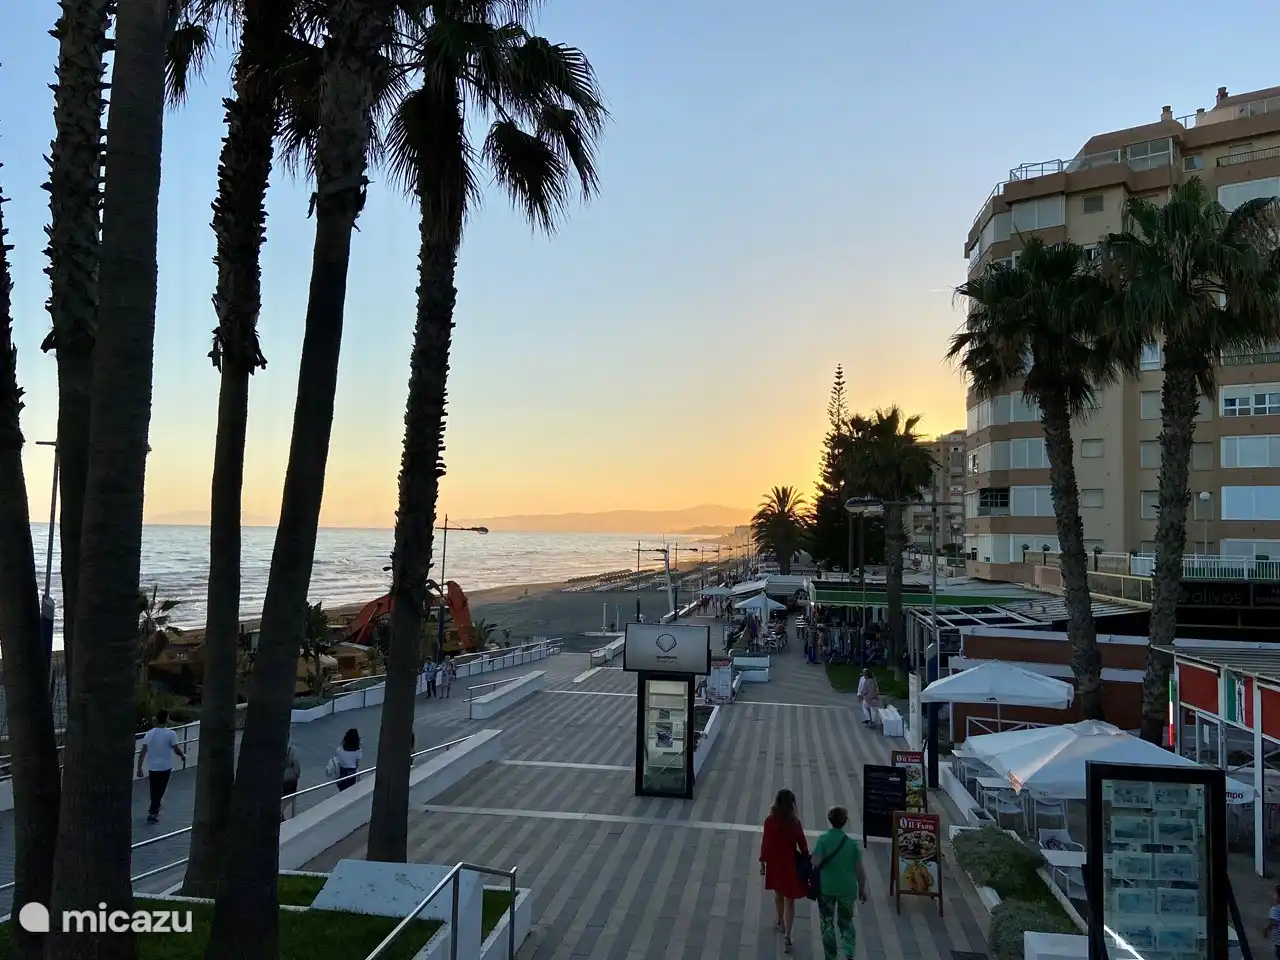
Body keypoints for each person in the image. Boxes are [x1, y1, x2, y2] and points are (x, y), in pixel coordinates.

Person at [810, 806, 868, 960]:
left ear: (830, 820)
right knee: (846, 921)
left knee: (827, 923)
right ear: (845, 821)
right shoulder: (851, 844)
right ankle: (849, 951)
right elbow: (860, 871)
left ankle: (831, 955)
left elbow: (815, 862)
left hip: (826, 888)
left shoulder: (823, 840)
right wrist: (862, 889)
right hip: (847, 890)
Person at [759, 788, 809, 953]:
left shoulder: (770, 821)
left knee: (778, 894)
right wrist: (806, 858)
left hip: (775, 864)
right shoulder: (794, 823)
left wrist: (763, 861)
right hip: (790, 864)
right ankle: (788, 933)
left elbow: (766, 843)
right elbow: (802, 844)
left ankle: (779, 921)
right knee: (790, 899)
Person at [136, 709, 185, 824]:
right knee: (161, 789)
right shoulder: (171, 734)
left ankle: (154, 809)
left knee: (154, 789)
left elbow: (143, 752)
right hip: (165, 767)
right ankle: (153, 811)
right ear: (166, 719)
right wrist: (182, 755)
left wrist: (139, 767)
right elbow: (176, 749)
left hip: (153, 767)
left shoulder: (149, 734)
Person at [282, 739, 302, 821]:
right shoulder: (291, 750)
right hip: (290, 781)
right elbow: (297, 766)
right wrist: (297, 775)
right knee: (282, 806)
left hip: (279, 782)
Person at [1263, 884, 1280, 959]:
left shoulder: (1275, 910)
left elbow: (1272, 923)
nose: (1274, 896)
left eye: (1275, 894)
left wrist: (1266, 930)